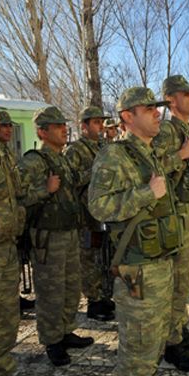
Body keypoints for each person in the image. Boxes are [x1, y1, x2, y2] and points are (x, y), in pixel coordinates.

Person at [88, 87, 181, 376]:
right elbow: (98, 206)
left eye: (157, 108)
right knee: (138, 341)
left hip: (160, 261)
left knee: (155, 337)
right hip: (135, 268)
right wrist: (146, 193)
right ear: (128, 116)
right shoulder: (114, 155)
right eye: (149, 109)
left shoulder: (149, 153)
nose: (157, 113)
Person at [18, 106, 94, 367]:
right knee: (51, 290)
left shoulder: (63, 158)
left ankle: (65, 330)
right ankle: (52, 340)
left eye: (64, 124)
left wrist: (97, 171)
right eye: (57, 125)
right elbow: (20, 198)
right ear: (42, 131)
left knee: (71, 287)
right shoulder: (33, 161)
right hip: (47, 237)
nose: (64, 129)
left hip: (69, 232)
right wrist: (45, 189)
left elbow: (75, 182)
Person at [153, 75, 189, 372]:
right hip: (173, 218)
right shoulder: (165, 131)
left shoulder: (183, 130)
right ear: (171, 100)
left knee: (184, 280)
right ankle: (170, 343)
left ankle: (178, 329)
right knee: (175, 283)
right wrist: (180, 155)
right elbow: (151, 170)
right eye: (187, 94)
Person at [0, 99, 41, 376]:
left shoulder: (0, 152)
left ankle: (0, 374)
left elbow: (17, 194)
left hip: (5, 246)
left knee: (7, 316)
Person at [65, 106, 115, 322]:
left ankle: (104, 295)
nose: (101, 126)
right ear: (83, 126)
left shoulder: (105, 146)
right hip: (86, 215)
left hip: (106, 211)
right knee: (88, 257)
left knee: (104, 256)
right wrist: (94, 170)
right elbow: (70, 181)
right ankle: (93, 301)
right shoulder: (75, 150)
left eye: (101, 122)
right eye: (95, 122)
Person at [0, 110, 36, 312]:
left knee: (11, 278)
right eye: (4, 125)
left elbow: (16, 191)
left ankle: (15, 299)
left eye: (10, 125)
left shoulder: (6, 154)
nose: (8, 129)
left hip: (10, 230)